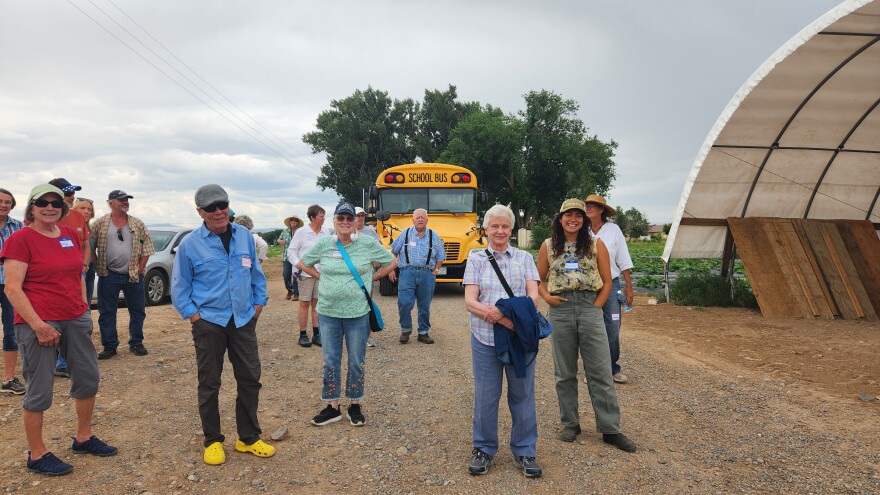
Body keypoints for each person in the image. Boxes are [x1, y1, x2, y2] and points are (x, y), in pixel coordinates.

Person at [0, 184, 117, 476]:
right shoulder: (20, 239)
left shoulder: (68, 234)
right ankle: (37, 454)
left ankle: (84, 437)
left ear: (63, 208)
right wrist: (39, 326)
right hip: (39, 323)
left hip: (74, 318)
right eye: (42, 202)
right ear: (32, 208)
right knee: (39, 389)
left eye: (55, 203)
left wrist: (83, 309)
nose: (49, 207)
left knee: (88, 378)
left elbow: (77, 274)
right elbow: (12, 288)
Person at [171, 184, 274, 466]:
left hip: (243, 319)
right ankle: (213, 440)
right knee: (210, 382)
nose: (218, 212)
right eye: (211, 208)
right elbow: (180, 286)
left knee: (250, 378)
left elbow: (255, 274)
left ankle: (248, 438)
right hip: (209, 322)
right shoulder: (190, 244)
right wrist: (194, 316)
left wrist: (258, 304)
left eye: (222, 205)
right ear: (200, 212)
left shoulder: (244, 236)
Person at [537, 198, 636, 452]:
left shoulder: (595, 244)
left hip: (590, 306)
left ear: (584, 220)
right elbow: (538, 279)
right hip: (560, 309)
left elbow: (607, 281)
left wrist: (596, 306)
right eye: (568, 215)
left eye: (578, 215)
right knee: (565, 372)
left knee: (600, 369)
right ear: (560, 219)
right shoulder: (548, 246)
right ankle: (570, 423)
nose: (573, 219)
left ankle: (610, 429)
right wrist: (547, 298)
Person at [297, 202, 396, 427]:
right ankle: (332, 407)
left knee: (356, 361)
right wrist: (320, 277)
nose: (345, 222)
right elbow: (303, 263)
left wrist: (374, 277)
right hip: (328, 313)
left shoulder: (367, 243)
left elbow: (392, 261)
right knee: (330, 360)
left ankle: (355, 404)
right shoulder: (324, 244)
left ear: (356, 222)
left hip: (358, 314)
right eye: (340, 218)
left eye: (349, 218)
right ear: (334, 221)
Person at [462, 204, 542, 478]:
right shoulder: (475, 259)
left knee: (523, 394)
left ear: (511, 230)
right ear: (486, 230)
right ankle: (483, 449)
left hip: (519, 339)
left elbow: (533, 298)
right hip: (485, 338)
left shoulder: (525, 258)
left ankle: (525, 450)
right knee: (486, 395)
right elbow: (470, 301)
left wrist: (503, 313)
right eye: (494, 226)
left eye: (505, 226)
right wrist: (500, 317)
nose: (499, 231)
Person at [92, 190, 155, 359]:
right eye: (121, 200)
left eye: (127, 200)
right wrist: (97, 265)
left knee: (137, 311)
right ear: (110, 203)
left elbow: (147, 248)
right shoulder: (100, 223)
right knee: (107, 312)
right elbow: (89, 245)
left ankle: (136, 343)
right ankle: (109, 346)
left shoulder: (137, 223)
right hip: (108, 275)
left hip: (133, 275)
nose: (125, 202)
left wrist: (140, 269)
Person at [584, 194, 634, 384]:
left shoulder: (614, 230)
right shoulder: (581, 229)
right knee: (589, 328)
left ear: (601, 210)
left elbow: (623, 259)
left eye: (593, 205)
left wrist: (629, 287)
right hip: (587, 286)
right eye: (587, 205)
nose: (588, 208)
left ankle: (612, 368)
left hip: (611, 284)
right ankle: (593, 369)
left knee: (612, 327)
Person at [48, 179, 91, 378]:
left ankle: (65, 362)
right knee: (54, 317)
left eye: (73, 193)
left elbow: (86, 245)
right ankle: (54, 360)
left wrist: (84, 266)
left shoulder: (77, 216)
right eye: (67, 193)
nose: (72, 197)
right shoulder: (44, 216)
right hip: (51, 277)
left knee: (76, 315)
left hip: (77, 274)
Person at [388, 208, 446, 344]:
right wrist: (390, 269)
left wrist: (435, 272)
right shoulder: (405, 233)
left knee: (424, 305)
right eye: (417, 217)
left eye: (422, 217)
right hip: (407, 273)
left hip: (427, 274)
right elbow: (393, 252)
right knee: (404, 302)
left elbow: (441, 256)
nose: (420, 220)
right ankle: (405, 330)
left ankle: (423, 333)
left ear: (427, 220)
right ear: (413, 220)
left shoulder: (434, 236)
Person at [287, 205, 330, 348]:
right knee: (304, 303)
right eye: (321, 216)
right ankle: (303, 334)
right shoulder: (302, 232)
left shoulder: (326, 231)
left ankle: (317, 334)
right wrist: (298, 264)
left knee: (317, 304)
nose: (323, 218)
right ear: (312, 217)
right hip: (305, 274)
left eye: (324, 216)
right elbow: (291, 251)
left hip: (321, 274)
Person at [0, 187, 25, 395]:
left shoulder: (19, 227)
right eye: (0, 201)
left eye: (7, 202)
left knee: (11, 331)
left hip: (11, 285)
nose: (3, 205)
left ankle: (8, 379)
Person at [355, 207, 381, 348]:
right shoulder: (346, 232)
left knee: (367, 304)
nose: (360, 218)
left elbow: (379, 248)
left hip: (367, 273)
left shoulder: (370, 232)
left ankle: (368, 335)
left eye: (362, 215)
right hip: (350, 274)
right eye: (357, 215)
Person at [71, 198, 97, 304]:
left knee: (87, 303)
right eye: (82, 208)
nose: (86, 211)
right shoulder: (70, 228)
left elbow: (92, 250)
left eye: (89, 209)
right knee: (80, 302)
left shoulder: (90, 229)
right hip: (78, 269)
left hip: (90, 268)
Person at [278, 215, 303, 301]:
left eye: (295, 220)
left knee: (296, 275)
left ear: (298, 223)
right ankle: (289, 290)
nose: (293, 221)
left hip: (297, 257)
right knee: (286, 275)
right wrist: (280, 241)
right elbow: (279, 239)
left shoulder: (301, 231)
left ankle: (296, 293)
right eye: (292, 220)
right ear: (289, 222)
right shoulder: (285, 231)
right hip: (286, 257)